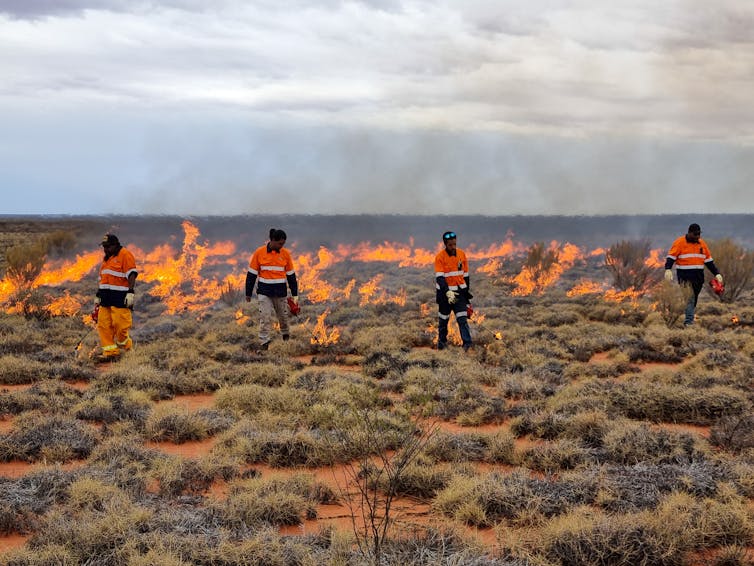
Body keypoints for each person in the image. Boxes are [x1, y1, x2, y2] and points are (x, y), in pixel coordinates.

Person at [245, 228, 299, 350]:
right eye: (280, 243)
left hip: (280, 293)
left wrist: (295, 294)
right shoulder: (259, 253)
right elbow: (251, 275)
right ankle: (264, 343)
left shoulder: (285, 254)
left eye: (283, 244)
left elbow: (291, 276)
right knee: (265, 317)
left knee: (283, 317)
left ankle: (285, 336)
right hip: (264, 292)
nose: (281, 246)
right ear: (273, 240)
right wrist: (248, 293)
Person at [664, 223, 723, 326]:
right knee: (690, 298)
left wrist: (717, 273)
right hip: (685, 277)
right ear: (689, 233)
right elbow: (671, 257)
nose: (697, 236)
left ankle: (688, 315)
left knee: (693, 299)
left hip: (698, 278)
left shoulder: (702, 244)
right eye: (695, 234)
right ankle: (689, 323)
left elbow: (709, 261)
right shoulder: (679, 242)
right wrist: (668, 269)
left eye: (699, 234)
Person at [94, 234, 138, 361]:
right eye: (104, 247)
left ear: (115, 245)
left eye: (107, 247)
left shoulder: (125, 255)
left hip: (120, 298)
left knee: (120, 325)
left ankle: (126, 346)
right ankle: (110, 352)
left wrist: (130, 292)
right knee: (103, 325)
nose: (105, 249)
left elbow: (132, 274)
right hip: (105, 298)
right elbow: (103, 279)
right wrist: (98, 295)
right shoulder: (106, 259)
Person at [434, 230, 472, 351]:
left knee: (462, 320)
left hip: (460, 295)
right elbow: (440, 278)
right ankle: (442, 344)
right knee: (443, 320)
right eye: (450, 245)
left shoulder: (462, 254)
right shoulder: (440, 257)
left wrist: (466, 296)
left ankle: (467, 345)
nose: (453, 247)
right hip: (445, 296)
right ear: (445, 244)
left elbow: (466, 276)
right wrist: (447, 292)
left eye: (454, 244)